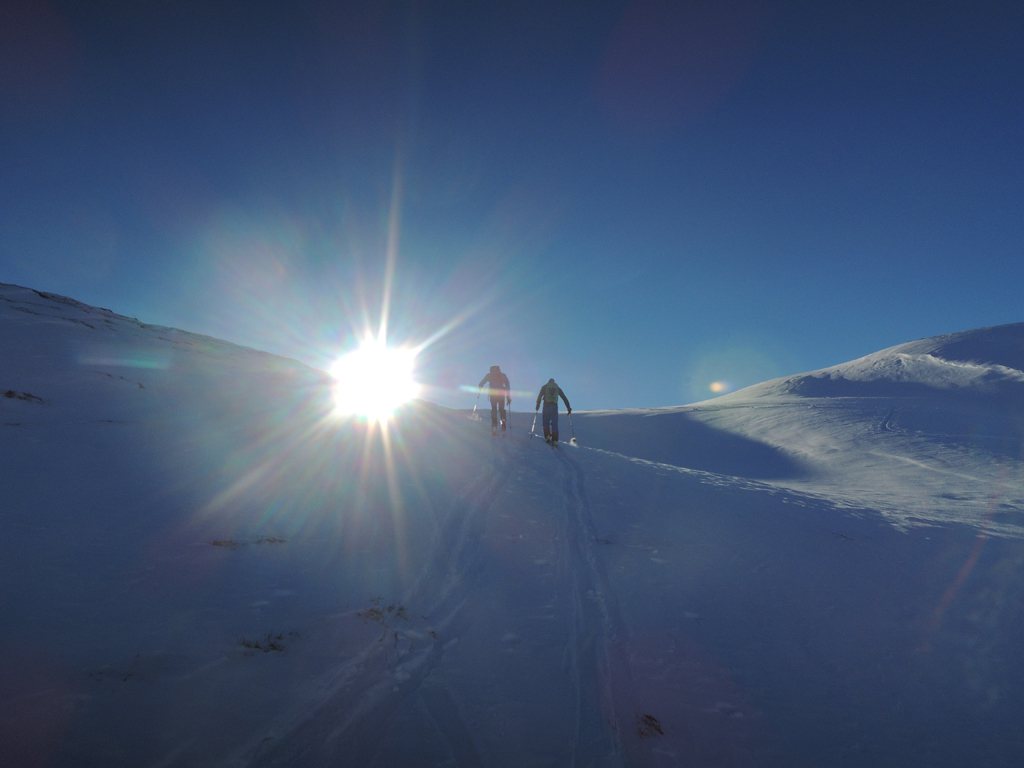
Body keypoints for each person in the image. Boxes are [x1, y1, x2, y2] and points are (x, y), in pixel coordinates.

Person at [535, 378, 571, 444]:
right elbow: (564, 397)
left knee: (546, 421)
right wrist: (568, 407)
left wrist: (538, 405)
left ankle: (548, 436)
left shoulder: (544, 387)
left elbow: (540, 396)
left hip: (546, 406)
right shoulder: (557, 388)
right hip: (554, 407)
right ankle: (555, 440)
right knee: (554, 423)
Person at [478, 365, 511, 432]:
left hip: (493, 394)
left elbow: (482, 382)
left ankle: (494, 426)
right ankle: (503, 420)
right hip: (501, 394)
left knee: (494, 409)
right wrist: (508, 397)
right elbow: (507, 385)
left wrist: (480, 387)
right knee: (501, 408)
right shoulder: (503, 375)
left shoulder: (489, 375)